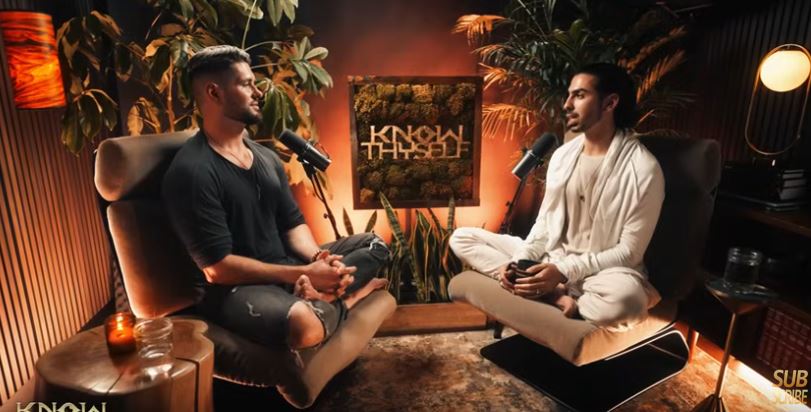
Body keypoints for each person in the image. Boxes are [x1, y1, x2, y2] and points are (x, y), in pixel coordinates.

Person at [162, 45, 389, 350]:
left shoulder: (266, 157)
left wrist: (318, 260)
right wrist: (304, 273)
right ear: (214, 93)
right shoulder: (192, 171)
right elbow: (218, 269)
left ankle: (322, 294)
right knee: (305, 327)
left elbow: (291, 224)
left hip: (288, 267)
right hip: (239, 288)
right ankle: (350, 298)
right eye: (246, 84)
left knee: (376, 245)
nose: (259, 93)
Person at [450, 63, 664, 331]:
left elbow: (629, 253)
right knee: (462, 238)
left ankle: (546, 289)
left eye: (580, 95)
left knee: (627, 303)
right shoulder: (563, 156)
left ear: (610, 103)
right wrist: (520, 261)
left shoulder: (643, 169)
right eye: (569, 95)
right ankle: (552, 295)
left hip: (600, 275)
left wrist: (563, 271)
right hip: (549, 260)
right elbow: (545, 224)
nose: (567, 104)